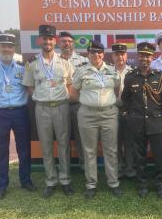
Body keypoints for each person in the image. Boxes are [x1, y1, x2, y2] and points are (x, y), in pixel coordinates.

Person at [0, 33, 35, 200]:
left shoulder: (23, 67)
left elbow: (28, 87)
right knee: (0, 150)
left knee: (24, 148)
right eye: (3, 45)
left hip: (20, 111)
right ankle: (1, 185)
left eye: (10, 46)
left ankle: (25, 180)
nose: (6, 49)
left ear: (14, 48)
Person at [23, 25, 74, 198]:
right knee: (45, 146)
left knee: (63, 145)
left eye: (50, 38)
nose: (47, 41)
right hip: (42, 108)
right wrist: (40, 96)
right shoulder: (32, 64)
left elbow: (70, 85)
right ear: (39, 40)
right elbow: (29, 86)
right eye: (44, 38)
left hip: (61, 107)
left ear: (55, 41)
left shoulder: (65, 63)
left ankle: (65, 180)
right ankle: (51, 181)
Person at [70, 40, 122, 199]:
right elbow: (73, 93)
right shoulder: (81, 71)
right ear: (88, 54)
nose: (96, 55)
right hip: (87, 115)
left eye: (99, 52)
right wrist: (89, 103)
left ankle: (113, 182)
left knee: (111, 150)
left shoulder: (112, 71)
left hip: (109, 114)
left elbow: (116, 89)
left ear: (103, 54)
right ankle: (91, 184)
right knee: (89, 150)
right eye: (93, 52)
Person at [121, 42, 162, 199]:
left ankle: (161, 184)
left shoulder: (159, 77)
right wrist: (130, 117)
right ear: (137, 56)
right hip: (137, 124)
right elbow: (126, 100)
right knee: (139, 156)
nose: (145, 59)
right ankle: (142, 184)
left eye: (148, 56)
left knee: (159, 156)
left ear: (152, 57)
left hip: (156, 123)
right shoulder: (130, 78)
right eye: (142, 55)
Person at [58, 31, 88, 170]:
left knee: (81, 137)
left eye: (69, 41)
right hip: (59, 105)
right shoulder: (53, 61)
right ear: (59, 43)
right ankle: (65, 169)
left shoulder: (84, 61)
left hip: (78, 106)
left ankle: (84, 166)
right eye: (64, 41)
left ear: (73, 44)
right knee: (62, 138)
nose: (67, 44)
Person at [111, 42, 136, 179]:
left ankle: (130, 169)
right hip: (112, 110)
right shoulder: (107, 71)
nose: (120, 56)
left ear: (126, 56)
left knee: (129, 141)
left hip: (129, 111)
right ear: (112, 56)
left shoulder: (133, 72)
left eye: (122, 54)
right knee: (115, 142)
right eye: (117, 54)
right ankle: (119, 169)